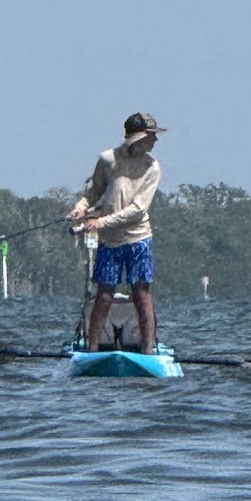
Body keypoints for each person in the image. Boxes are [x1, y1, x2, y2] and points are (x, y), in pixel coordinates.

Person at [68, 112, 166, 354]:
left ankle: (148, 350)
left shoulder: (151, 167)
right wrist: (81, 208)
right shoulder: (108, 159)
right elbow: (94, 192)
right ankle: (92, 349)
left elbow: (137, 209)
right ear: (137, 138)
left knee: (140, 292)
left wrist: (100, 222)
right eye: (151, 136)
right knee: (104, 294)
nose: (154, 141)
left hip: (138, 237)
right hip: (110, 241)